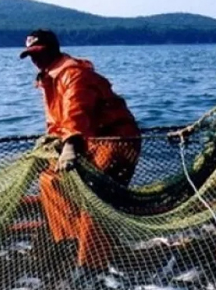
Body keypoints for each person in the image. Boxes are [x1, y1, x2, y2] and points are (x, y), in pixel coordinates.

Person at [21, 30, 141, 271]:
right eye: (31, 55)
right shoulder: (48, 78)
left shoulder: (73, 74)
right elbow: (58, 120)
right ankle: (72, 242)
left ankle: (91, 266)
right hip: (87, 142)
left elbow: (77, 112)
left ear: (53, 50)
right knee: (50, 180)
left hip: (116, 142)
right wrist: (55, 140)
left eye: (39, 53)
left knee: (95, 196)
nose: (35, 59)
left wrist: (70, 145)